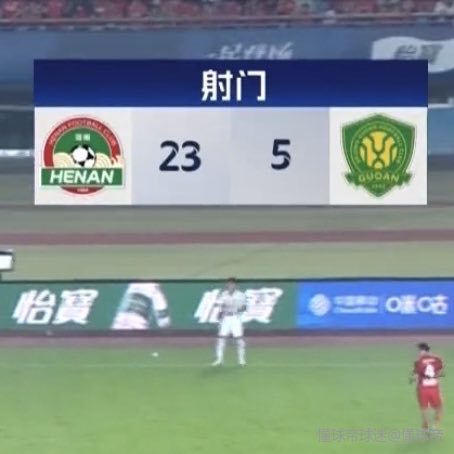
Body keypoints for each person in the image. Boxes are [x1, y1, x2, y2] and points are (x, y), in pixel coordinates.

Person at [409, 342, 444, 432]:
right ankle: (435, 425)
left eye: (420, 351)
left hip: (423, 388)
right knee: (439, 406)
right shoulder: (437, 359)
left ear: (423, 351)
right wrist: (435, 377)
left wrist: (412, 379)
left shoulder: (418, 362)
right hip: (434, 387)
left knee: (424, 407)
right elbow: (440, 372)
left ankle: (425, 426)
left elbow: (415, 376)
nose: (419, 353)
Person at [212, 277, 247, 366]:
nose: (230, 286)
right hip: (226, 318)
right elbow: (218, 304)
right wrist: (220, 311)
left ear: (235, 285)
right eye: (229, 284)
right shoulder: (223, 294)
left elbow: (244, 307)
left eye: (232, 284)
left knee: (239, 340)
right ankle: (219, 359)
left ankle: (241, 359)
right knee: (221, 339)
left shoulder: (241, 295)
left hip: (235, 317)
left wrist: (238, 308)